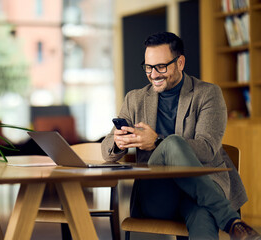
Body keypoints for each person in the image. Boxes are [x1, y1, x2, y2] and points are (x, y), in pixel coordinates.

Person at [101, 32, 261, 240]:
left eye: (161, 67)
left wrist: (156, 141)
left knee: (203, 213)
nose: (154, 74)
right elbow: (106, 152)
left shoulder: (207, 94)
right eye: (149, 67)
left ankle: (222, 216)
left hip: (201, 191)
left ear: (180, 62)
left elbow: (207, 148)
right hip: (158, 195)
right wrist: (118, 142)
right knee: (172, 143)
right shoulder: (135, 99)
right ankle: (230, 220)